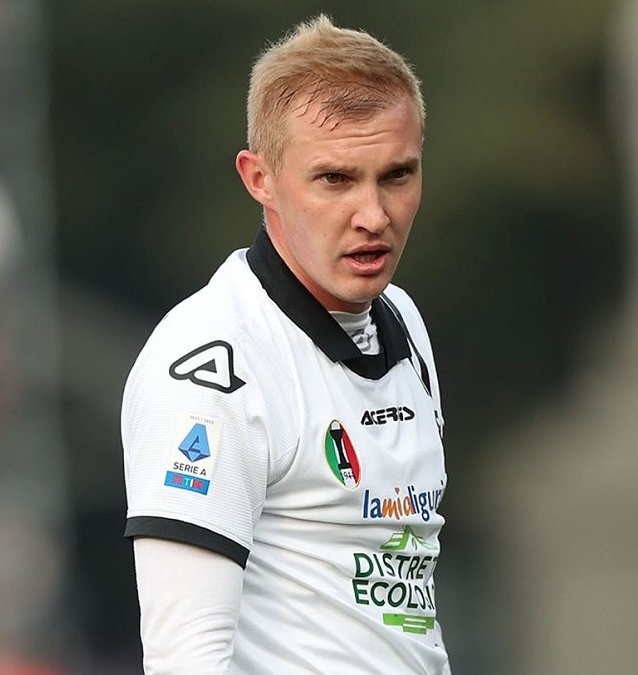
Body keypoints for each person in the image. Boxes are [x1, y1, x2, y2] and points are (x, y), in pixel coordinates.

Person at [122, 14, 450, 674]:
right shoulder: (211, 366)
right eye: (335, 179)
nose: (374, 215)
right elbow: (184, 659)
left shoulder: (403, 320)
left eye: (396, 175)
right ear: (259, 178)